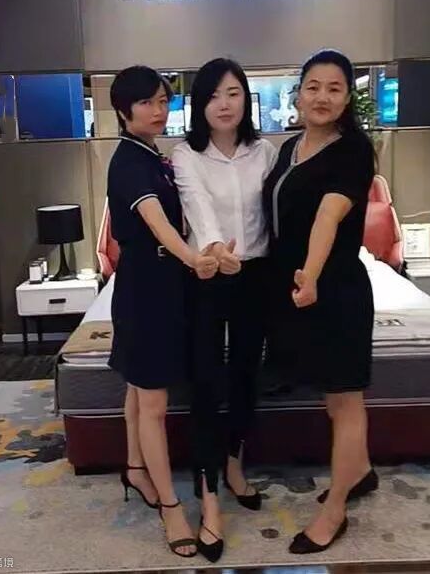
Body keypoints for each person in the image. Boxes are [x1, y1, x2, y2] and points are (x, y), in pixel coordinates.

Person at [263, 49, 378, 555]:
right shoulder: (290, 147)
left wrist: (309, 275)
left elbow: (327, 218)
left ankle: (334, 513)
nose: (322, 97)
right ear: (299, 94)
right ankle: (362, 471)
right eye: (313, 86)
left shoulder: (353, 151)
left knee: (345, 400)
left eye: (334, 88)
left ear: (348, 97)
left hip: (336, 291)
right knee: (333, 396)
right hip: (297, 290)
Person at [107, 65, 218, 559]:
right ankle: (172, 508)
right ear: (122, 109)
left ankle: (135, 468)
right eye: (146, 102)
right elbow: (157, 223)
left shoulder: (153, 154)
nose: (158, 110)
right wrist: (193, 258)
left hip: (160, 285)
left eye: (162, 101)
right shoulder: (129, 161)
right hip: (147, 289)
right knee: (153, 401)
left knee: (139, 388)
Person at [171, 58, 277, 562]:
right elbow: (196, 206)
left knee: (246, 376)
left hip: (256, 277)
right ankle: (209, 501)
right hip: (208, 276)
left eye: (233, 93)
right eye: (213, 95)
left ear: (246, 99)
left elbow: (276, 215)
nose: (224, 104)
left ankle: (235, 463)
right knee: (207, 383)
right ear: (200, 104)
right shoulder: (186, 154)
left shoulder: (266, 152)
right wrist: (215, 249)